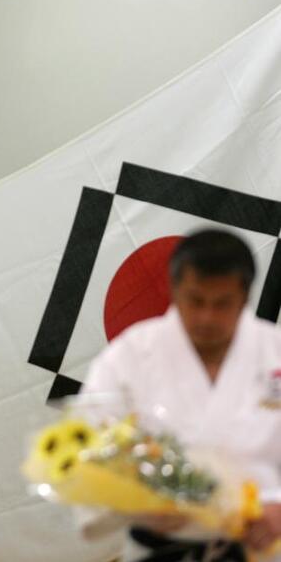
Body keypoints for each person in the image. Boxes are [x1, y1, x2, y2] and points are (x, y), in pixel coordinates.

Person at [78, 229, 281, 561]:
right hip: (159, 545)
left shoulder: (275, 351)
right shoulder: (130, 355)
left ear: (244, 298)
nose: (206, 317)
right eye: (195, 300)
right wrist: (137, 502)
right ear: (174, 291)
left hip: (262, 546)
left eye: (222, 304)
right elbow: (88, 446)